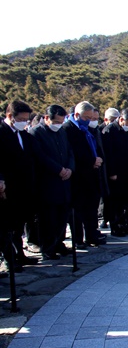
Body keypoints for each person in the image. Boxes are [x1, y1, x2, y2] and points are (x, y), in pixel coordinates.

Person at [29, 105, 74, 260]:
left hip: (64, 181)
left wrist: (69, 168)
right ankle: (48, 247)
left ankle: (59, 242)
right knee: (48, 218)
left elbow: (69, 152)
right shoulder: (36, 132)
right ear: (46, 118)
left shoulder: (61, 131)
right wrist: (58, 169)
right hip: (48, 183)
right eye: (56, 121)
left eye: (61, 122)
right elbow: (40, 157)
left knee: (62, 216)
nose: (58, 125)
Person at [0, 100, 40, 271]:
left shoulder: (24, 135)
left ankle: (19, 254)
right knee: (6, 227)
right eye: (22, 118)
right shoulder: (1, 133)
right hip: (8, 189)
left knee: (18, 224)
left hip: (24, 188)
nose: (25, 122)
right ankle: (8, 259)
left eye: (27, 119)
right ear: (10, 116)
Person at [63, 101, 107, 248]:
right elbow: (73, 153)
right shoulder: (68, 129)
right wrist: (91, 161)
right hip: (78, 177)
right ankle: (78, 239)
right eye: (86, 117)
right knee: (77, 211)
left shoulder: (87, 129)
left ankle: (91, 235)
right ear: (77, 115)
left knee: (91, 208)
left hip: (92, 175)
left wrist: (97, 160)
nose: (89, 120)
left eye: (92, 118)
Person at [102, 108, 128, 236]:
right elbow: (108, 154)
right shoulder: (109, 130)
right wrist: (112, 172)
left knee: (125, 199)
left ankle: (125, 224)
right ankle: (115, 226)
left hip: (127, 171)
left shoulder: (127, 131)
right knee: (115, 202)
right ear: (121, 120)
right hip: (116, 172)